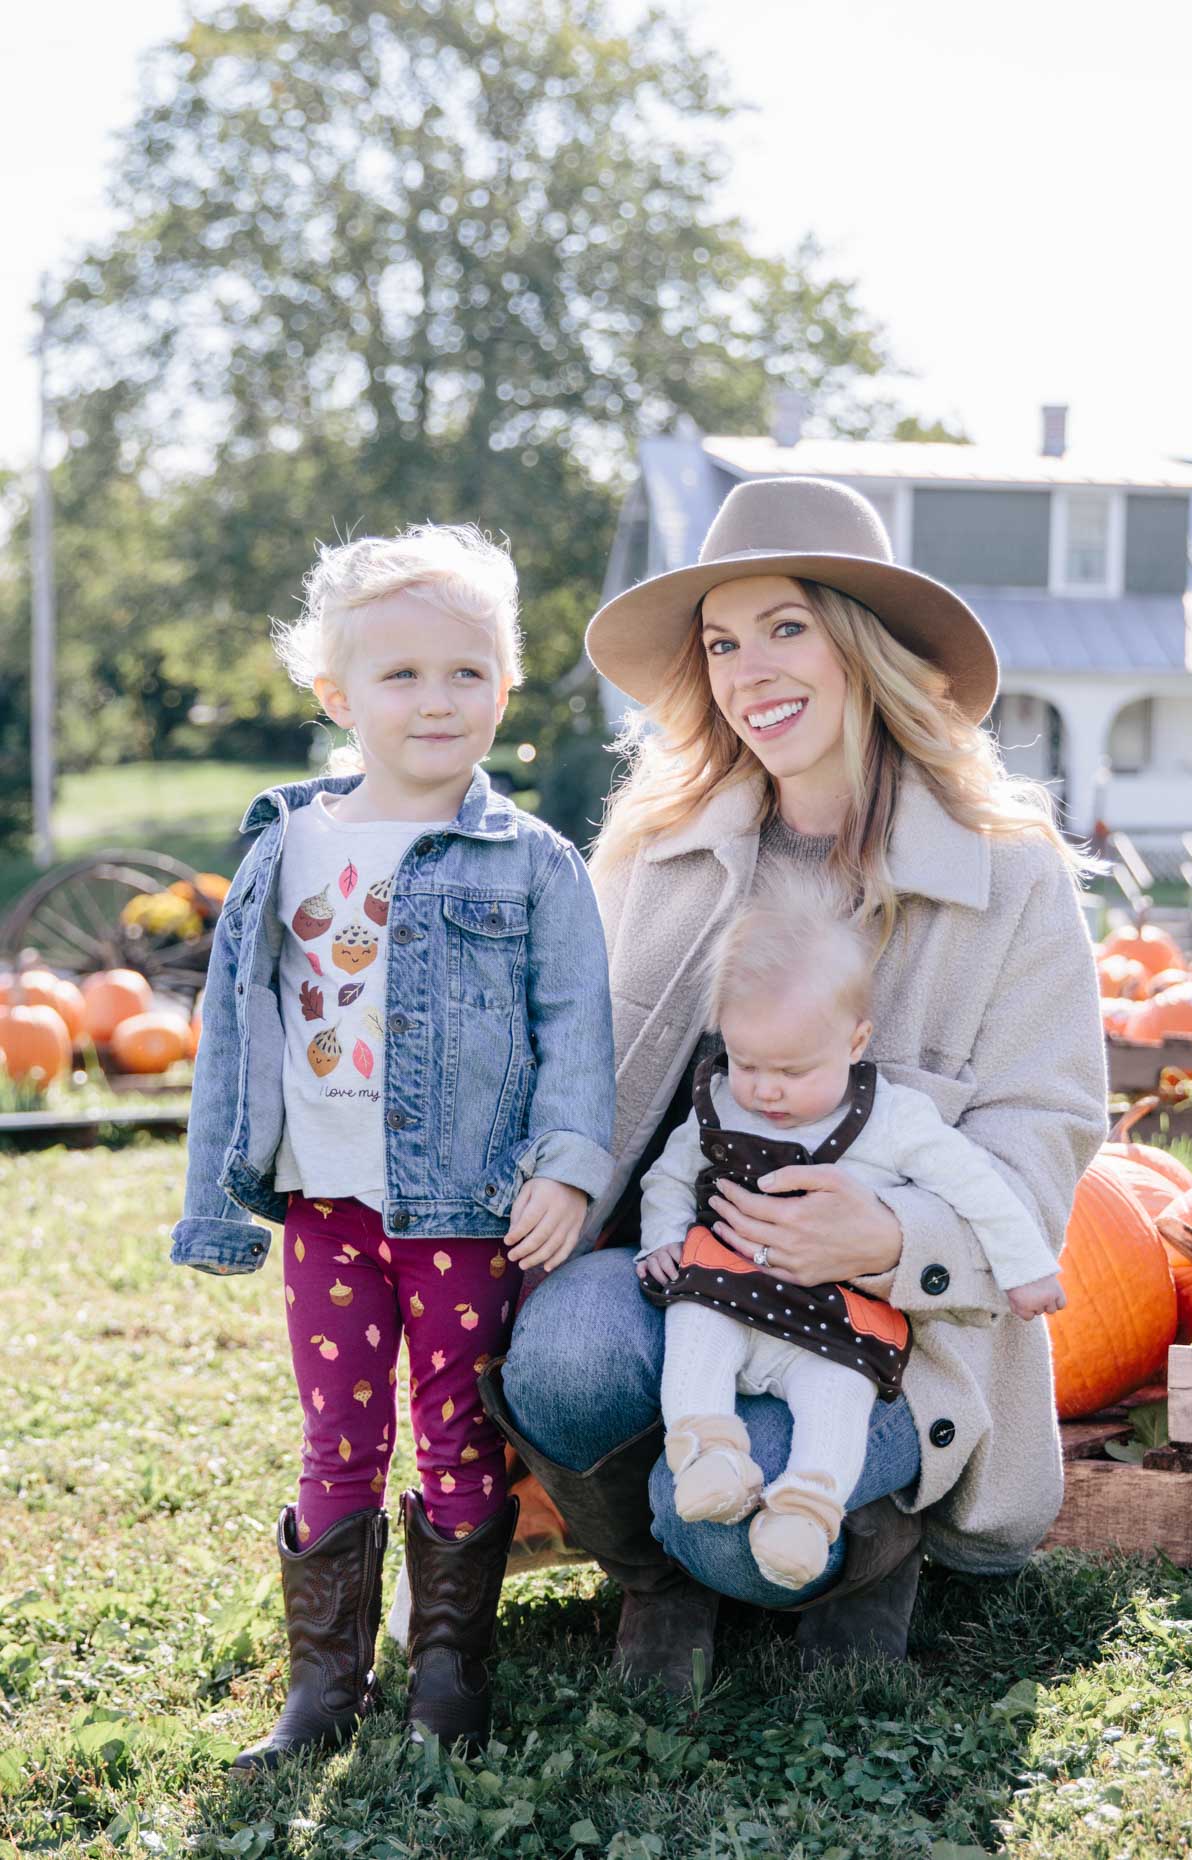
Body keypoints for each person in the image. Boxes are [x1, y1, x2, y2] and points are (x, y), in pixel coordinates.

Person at [482, 474, 1107, 1692]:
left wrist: (890, 1233)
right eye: (721, 642)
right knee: (563, 1366)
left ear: (860, 646)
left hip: (880, 1334)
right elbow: (579, 1077)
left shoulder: (1007, 879)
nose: (747, 670)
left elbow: (1049, 1130)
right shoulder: (661, 854)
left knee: (723, 1513)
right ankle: (660, 1578)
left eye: (785, 628)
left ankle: (866, 1549)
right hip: (696, 1284)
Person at [169, 525, 614, 1767]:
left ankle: (449, 1674)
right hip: (328, 1206)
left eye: (465, 673)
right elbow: (231, 1033)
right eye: (400, 675)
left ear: (504, 687)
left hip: (468, 1209)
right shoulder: (284, 849)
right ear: (336, 695)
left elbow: (579, 1030)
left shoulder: (532, 865)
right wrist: (216, 1192)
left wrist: (570, 1163)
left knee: (459, 1429)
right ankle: (322, 1689)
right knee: (337, 1432)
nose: (435, 700)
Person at [637, 877, 1064, 1593]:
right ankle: (707, 1446)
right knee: (693, 1330)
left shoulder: (892, 1120)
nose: (765, 1091)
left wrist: (1024, 1269)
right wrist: (663, 1238)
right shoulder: (720, 1101)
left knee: (841, 1392)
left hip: (831, 1323)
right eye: (746, 1063)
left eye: (793, 1071)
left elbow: (978, 1187)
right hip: (727, 1290)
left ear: (856, 1040)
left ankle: (808, 1505)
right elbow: (670, 1178)